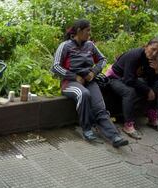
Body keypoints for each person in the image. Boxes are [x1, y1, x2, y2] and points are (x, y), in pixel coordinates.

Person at [51, 19, 129, 148]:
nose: (89, 33)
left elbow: (103, 60)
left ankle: (114, 136)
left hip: (89, 81)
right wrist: (74, 77)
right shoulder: (65, 45)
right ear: (79, 31)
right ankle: (86, 129)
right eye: (88, 31)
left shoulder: (90, 45)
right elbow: (55, 66)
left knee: (100, 107)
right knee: (84, 94)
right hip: (69, 83)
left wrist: (93, 72)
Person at [106, 39, 158, 139]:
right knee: (129, 92)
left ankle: (152, 118)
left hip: (129, 78)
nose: (155, 53)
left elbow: (151, 80)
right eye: (153, 49)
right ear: (146, 46)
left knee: (154, 88)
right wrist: (147, 90)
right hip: (115, 78)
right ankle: (128, 125)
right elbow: (129, 80)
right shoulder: (135, 55)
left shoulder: (152, 59)